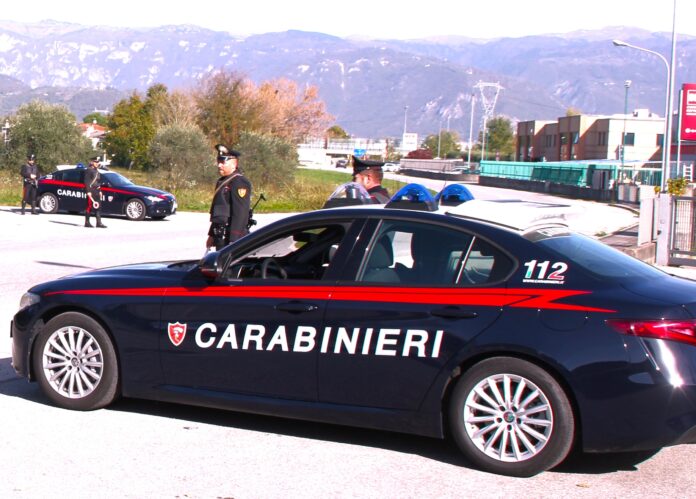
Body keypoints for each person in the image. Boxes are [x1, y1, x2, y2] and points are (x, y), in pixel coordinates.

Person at [206, 144, 252, 251]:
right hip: (220, 235)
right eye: (218, 162)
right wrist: (211, 235)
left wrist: (234, 240)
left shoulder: (239, 182)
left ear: (234, 164)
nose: (219, 165)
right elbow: (219, 213)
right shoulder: (222, 181)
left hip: (231, 237)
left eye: (223, 162)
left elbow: (240, 212)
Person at [84, 156, 107, 228]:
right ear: (92, 162)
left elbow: (97, 182)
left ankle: (98, 223)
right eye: (95, 162)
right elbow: (87, 181)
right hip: (91, 190)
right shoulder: (89, 170)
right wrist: (88, 191)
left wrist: (100, 190)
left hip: (97, 190)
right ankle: (87, 222)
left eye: (97, 162)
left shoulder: (96, 171)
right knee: (89, 206)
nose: (97, 163)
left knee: (98, 206)